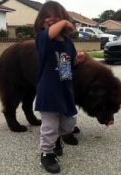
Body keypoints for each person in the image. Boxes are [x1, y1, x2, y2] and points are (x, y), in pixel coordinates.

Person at [33, 1, 84, 174]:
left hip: (65, 89)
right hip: (48, 90)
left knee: (69, 124)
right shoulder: (43, 38)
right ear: (41, 21)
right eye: (47, 17)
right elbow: (50, 34)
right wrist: (64, 22)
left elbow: (66, 65)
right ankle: (47, 154)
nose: (51, 20)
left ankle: (56, 139)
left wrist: (77, 60)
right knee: (49, 126)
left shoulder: (68, 42)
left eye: (56, 17)